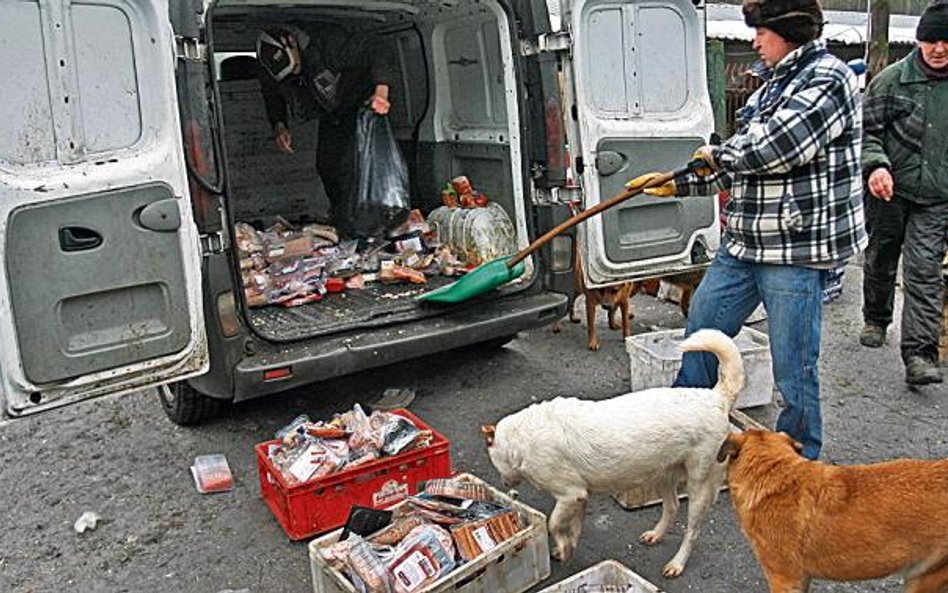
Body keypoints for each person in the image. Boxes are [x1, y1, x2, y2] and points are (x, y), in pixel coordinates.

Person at [626, 0, 867, 459]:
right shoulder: (766, 88)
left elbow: (778, 148)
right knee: (701, 328)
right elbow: (739, 164)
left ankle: (798, 458)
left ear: (789, 30)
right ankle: (683, 432)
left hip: (795, 247)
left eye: (761, 31)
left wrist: (715, 156)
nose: (755, 40)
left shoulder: (828, 77)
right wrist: (675, 182)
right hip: (744, 243)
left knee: (795, 365)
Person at [858, 2, 948, 386]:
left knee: (925, 271)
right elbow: (866, 132)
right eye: (931, 40)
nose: (939, 48)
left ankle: (920, 354)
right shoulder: (890, 80)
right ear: (918, 41)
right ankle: (876, 318)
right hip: (889, 190)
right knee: (881, 255)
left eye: (946, 41)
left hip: (938, 196)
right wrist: (876, 165)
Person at [256, 24, 396, 228]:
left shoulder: (328, 44)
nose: (295, 73)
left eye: (295, 67)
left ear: (292, 42)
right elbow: (272, 95)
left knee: (357, 168)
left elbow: (377, 48)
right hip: (332, 112)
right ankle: (344, 221)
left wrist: (381, 92)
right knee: (327, 165)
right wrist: (279, 125)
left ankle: (372, 224)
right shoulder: (270, 66)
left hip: (362, 107)